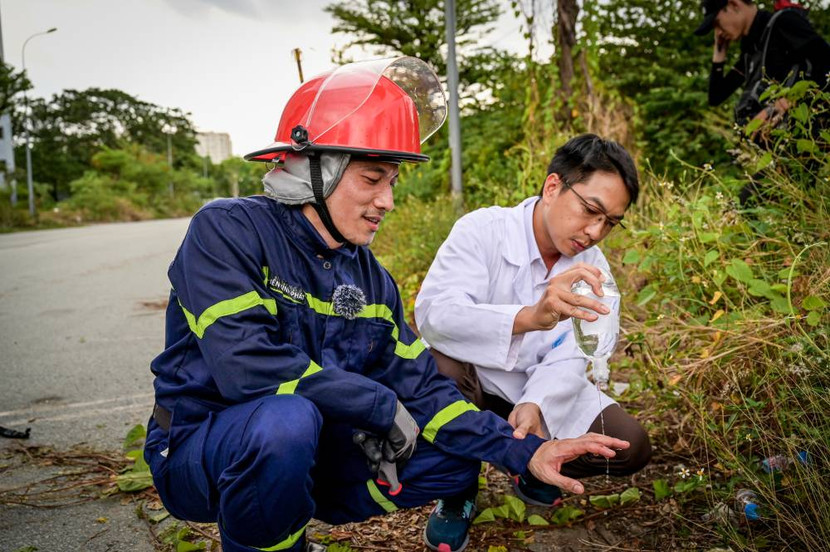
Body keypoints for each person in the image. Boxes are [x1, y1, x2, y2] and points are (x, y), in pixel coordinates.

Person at [144, 58, 629, 552]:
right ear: (316, 168)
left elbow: (424, 389)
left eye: (392, 182)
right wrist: (377, 405)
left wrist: (526, 452)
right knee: (285, 421)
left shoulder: (371, 278)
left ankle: (290, 510)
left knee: (455, 460)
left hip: (309, 454)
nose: (387, 201)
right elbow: (246, 368)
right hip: (199, 448)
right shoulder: (228, 229)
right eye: (372, 179)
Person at [415, 134, 652, 518]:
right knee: (440, 368)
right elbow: (435, 315)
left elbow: (578, 352)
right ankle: (458, 487)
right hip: (472, 380)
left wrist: (537, 404)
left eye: (609, 222)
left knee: (629, 445)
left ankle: (527, 465)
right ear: (553, 185)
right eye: (590, 210)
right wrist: (528, 318)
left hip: (534, 389)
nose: (595, 231)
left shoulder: (595, 269)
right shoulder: (483, 230)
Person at [694, 0, 830, 134]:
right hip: (774, 148)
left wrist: (789, 100)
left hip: (810, 140)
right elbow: (716, 97)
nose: (718, 33)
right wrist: (719, 52)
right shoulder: (751, 51)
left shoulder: (783, 22)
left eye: (717, 23)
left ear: (734, 5)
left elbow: (826, 62)